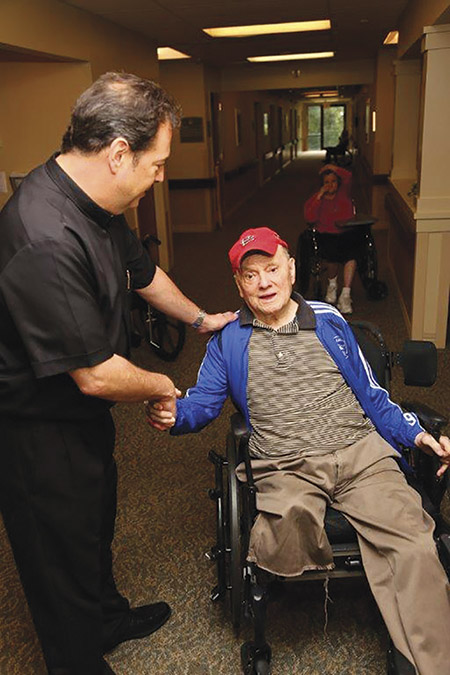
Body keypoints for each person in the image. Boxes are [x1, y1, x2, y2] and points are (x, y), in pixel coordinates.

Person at [0, 72, 236, 675]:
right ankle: (78, 659)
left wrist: (203, 319)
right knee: (57, 553)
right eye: (156, 163)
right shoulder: (44, 234)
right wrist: (165, 384)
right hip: (36, 428)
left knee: (95, 522)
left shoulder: (103, 203)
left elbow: (142, 273)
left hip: (80, 414)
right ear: (118, 153)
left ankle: (105, 617)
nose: (161, 176)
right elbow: (97, 376)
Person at [148, 226, 450, 675]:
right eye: (251, 276)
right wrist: (176, 414)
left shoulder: (328, 319)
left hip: (360, 454)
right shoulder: (229, 339)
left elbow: (372, 394)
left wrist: (417, 434)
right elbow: (204, 403)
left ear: (291, 270)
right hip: (285, 464)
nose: (264, 283)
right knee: (283, 527)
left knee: (414, 543)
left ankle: (430, 664)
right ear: (238, 285)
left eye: (272, 269)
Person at [304, 163, 363, 314]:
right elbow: (309, 218)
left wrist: (332, 167)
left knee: (352, 254)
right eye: (326, 182)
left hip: (346, 232)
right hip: (326, 234)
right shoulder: (317, 199)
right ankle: (332, 286)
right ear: (322, 185)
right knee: (332, 256)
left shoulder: (344, 194)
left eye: (333, 181)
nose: (330, 185)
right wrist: (319, 196)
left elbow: (348, 176)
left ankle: (346, 294)